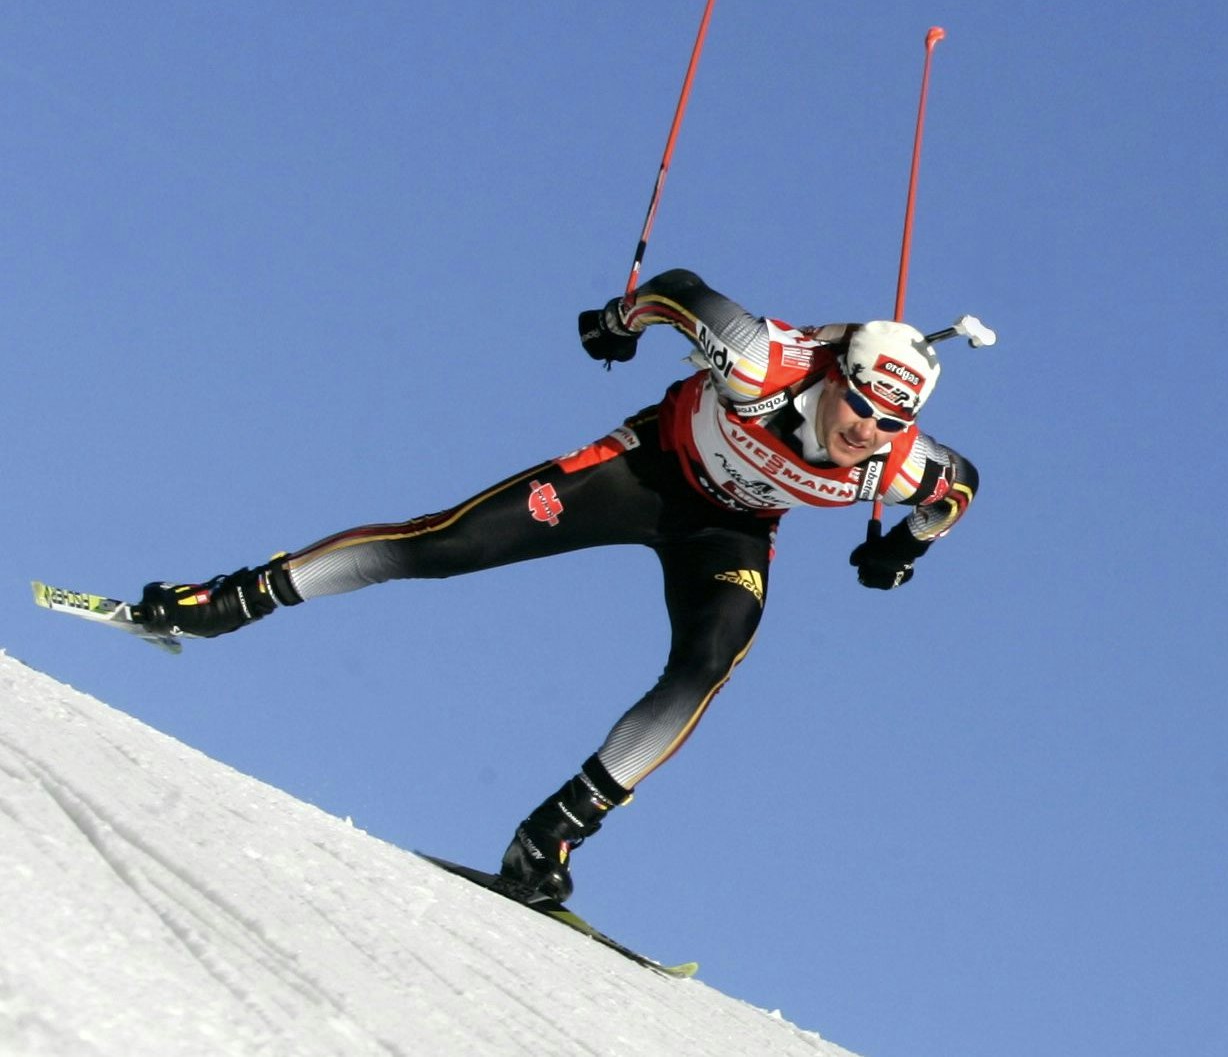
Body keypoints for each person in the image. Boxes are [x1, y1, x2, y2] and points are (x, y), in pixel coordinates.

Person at [131, 268, 979, 904]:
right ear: (836, 376)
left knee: (709, 661)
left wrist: (902, 550)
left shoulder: (900, 464)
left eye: (890, 420)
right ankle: (228, 602)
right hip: (643, 472)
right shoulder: (763, 363)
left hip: (730, 531)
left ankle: (552, 835)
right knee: (444, 546)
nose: (866, 429)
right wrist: (617, 321)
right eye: (860, 403)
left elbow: (958, 493)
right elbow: (679, 291)